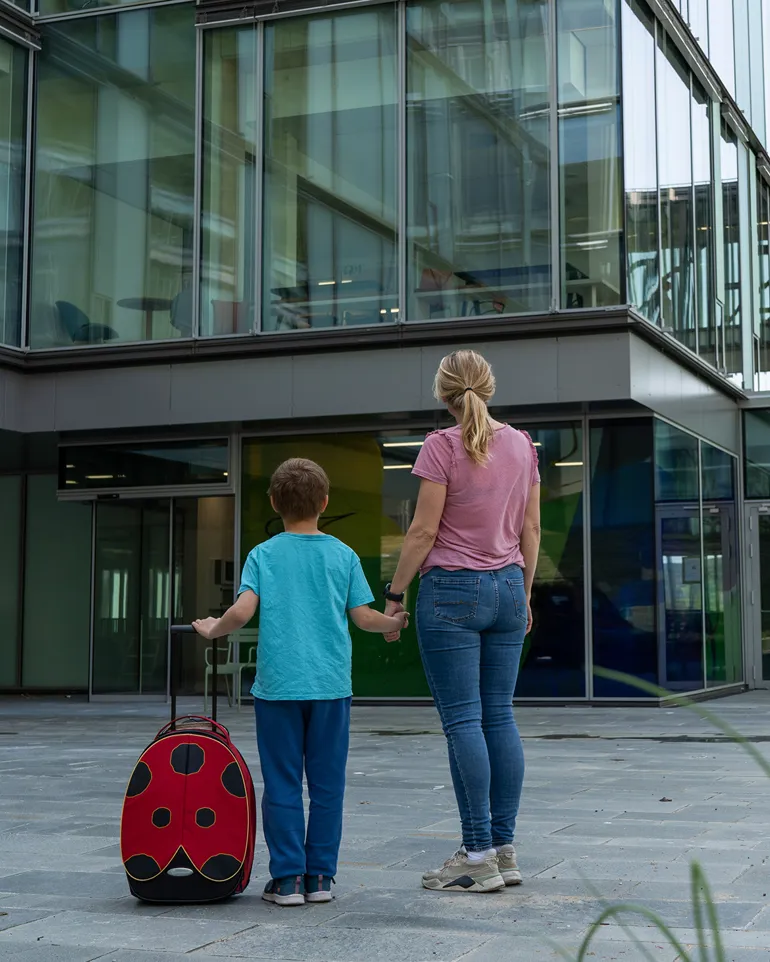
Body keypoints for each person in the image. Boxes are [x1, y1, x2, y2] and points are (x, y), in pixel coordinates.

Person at [192, 458, 408, 907]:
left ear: (275, 502)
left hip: (278, 690)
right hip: (331, 688)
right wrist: (394, 620)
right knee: (328, 786)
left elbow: (242, 611)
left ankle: (287, 879)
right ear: (324, 503)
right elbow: (364, 617)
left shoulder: (262, 555)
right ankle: (321, 879)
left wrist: (213, 628)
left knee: (283, 783)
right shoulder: (343, 554)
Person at [382, 350, 541, 893]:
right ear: (489, 388)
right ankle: (503, 849)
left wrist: (395, 593)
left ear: (443, 394)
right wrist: (523, 593)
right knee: (499, 716)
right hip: (507, 589)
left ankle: (476, 854)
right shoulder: (522, 446)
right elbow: (532, 532)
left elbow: (423, 533)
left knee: (464, 722)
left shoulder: (441, 445)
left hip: (452, 591)